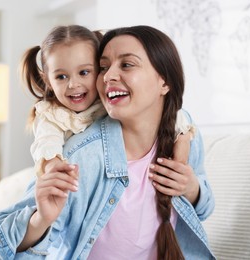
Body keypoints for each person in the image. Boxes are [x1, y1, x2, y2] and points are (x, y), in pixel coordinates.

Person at [0, 25, 215, 259]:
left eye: (126, 64)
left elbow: (204, 210)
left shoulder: (183, 136)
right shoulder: (80, 155)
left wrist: (192, 189)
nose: (108, 76)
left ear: (164, 81)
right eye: (104, 67)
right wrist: (41, 220)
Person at [22, 25, 194, 178]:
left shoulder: (110, 103)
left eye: (84, 72)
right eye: (61, 76)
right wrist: (53, 164)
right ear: (48, 81)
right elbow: (46, 142)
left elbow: (173, 114)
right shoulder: (50, 116)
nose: (73, 84)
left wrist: (183, 140)